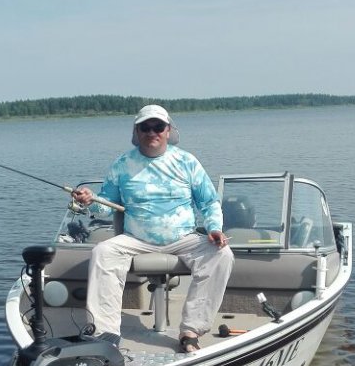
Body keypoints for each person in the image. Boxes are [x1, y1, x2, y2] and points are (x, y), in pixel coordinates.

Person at [72, 105, 234, 353]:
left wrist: (214, 228)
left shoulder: (187, 162)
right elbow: (105, 207)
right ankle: (105, 335)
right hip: (135, 238)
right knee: (102, 252)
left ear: (168, 130)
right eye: (145, 127)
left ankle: (191, 331)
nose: (151, 132)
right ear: (137, 132)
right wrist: (89, 200)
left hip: (183, 236)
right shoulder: (122, 164)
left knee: (221, 254)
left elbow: (209, 202)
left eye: (158, 126)